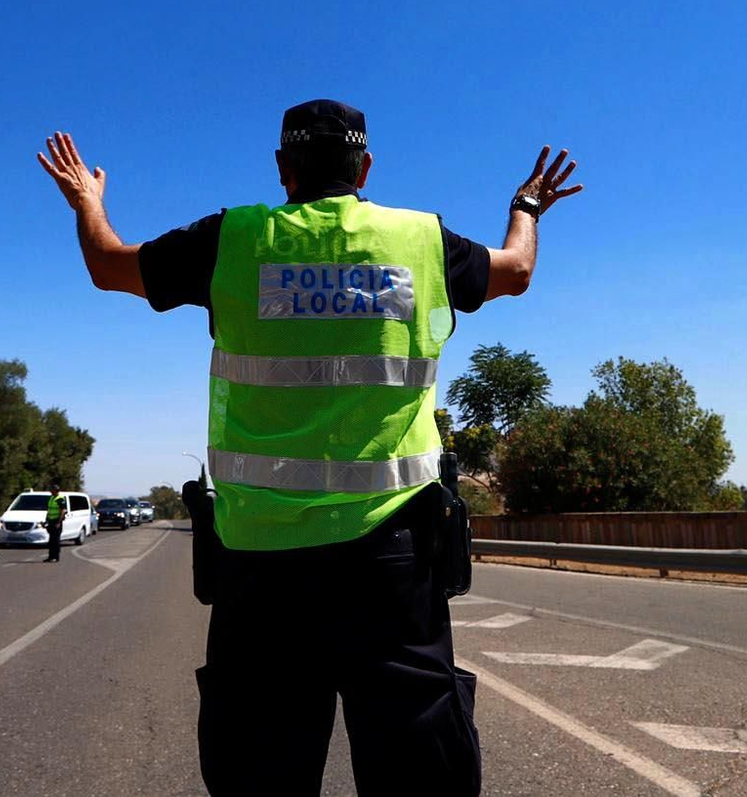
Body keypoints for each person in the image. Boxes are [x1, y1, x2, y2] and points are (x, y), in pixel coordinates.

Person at [37, 99, 581, 796]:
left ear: (282, 169)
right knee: (418, 768)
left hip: (261, 565)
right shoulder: (419, 240)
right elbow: (515, 271)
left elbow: (110, 264)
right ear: (366, 166)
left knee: (262, 771)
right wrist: (527, 206)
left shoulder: (232, 239)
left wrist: (87, 201)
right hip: (392, 560)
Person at [43, 486, 65, 563]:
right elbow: (49, 510)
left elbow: (62, 511)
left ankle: (56, 557)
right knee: (51, 541)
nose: (50, 491)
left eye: (52, 490)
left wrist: (59, 522)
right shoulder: (52, 498)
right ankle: (50, 556)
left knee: (56, 541)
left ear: (56, 491)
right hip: (51, 521)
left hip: (56, 521)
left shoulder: (60, 499)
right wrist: (46, 520)